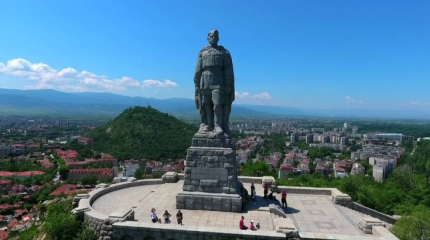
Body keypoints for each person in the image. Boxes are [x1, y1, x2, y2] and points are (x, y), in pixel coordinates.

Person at [194, 29, 235, 135]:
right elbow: (198, 69)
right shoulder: (202, 52)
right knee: (206, 104)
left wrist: (228, 84)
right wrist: (197, 83)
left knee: (217, 104)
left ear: (218, 39)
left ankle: (218, 125)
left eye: (215, 37)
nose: (213, 38)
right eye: (211, 36)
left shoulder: (224, 52)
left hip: (219, 80)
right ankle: (208, 124)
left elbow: (228, 69)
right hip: (205, 80)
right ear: (208, 38)